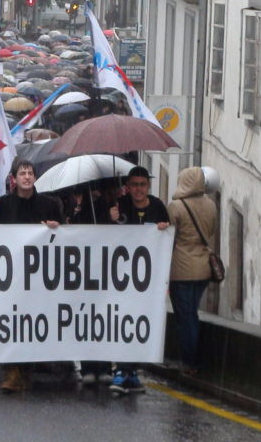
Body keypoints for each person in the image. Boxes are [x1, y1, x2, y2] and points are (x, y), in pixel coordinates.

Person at [0, 160, 61, 392]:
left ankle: (26, 371)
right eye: (22, 173)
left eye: (30, 173)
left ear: (35, 178)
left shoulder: (49, 204)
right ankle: (11, 372)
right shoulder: (3, 204)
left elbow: (65, 235)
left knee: (31, 322)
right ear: (14, 179)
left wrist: (57, 226)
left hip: (38, 278)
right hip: (11, 277)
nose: (26, 177)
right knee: (11, 322)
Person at [104, 166, 169, 394]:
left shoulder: (159, 206)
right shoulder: (119, 206)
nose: (138, 189)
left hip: (147, 282)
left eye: (142, 185)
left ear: (148, 186)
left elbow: (166, 241)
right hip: (122, 278)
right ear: (128, 187)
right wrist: (111, 220)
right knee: (123, 323)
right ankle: (121, 369)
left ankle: (132, 371)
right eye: (134, 185)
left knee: (139, 325)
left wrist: (163, 228)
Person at [167, 167, 218, 376]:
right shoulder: (211, 206)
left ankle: (189, 362)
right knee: (192, 313)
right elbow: (212, 231)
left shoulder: (176, 207)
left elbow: (169, 237)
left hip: (182, 269)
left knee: (185, 317)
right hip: (203, 268)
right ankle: (191, 360)